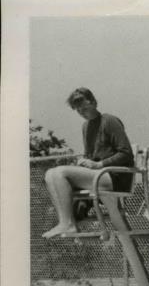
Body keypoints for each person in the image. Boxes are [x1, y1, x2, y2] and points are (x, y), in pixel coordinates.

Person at [41, 88, 134, 239]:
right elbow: (91, 155)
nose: (82, 113)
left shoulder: (109, 121)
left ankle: (68, 224)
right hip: (98, 176)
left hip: (115, 177)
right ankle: (66, 220)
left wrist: (99, 164)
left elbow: (126, 153)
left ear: (94, 103)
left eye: (84, 108)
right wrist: (84, 162)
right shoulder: (86, 127)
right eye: (78, 111)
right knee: (50, 174)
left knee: (59, 172)